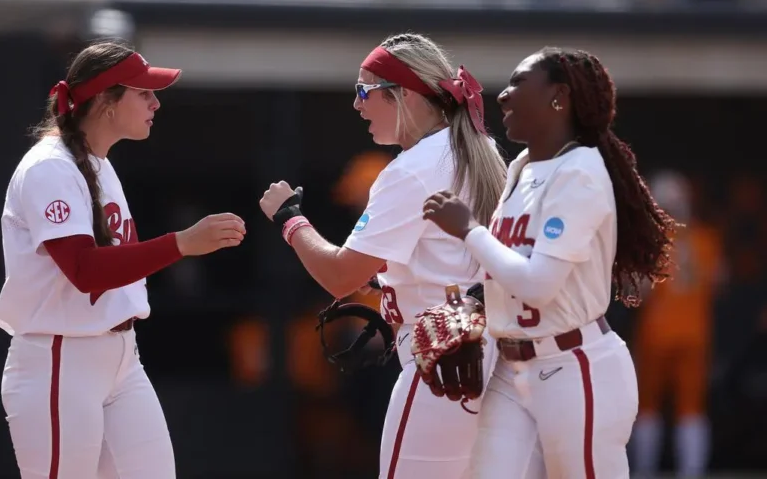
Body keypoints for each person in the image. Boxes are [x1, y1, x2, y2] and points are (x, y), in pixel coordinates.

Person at [421, 46, 679, 478]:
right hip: (512, 367)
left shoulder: (580, 172)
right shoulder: (522, 166)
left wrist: (468, 229)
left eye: (518, 83)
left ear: (558, 97)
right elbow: (511, 261)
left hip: (575, 366)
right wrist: (479, 299)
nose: (502, 96)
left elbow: (539, 284)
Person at [259, 32, 507, 479]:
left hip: (441, 356)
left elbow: (339, 276)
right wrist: (391, 281)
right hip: (494, 357)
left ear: (405, 96)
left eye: (364, 92)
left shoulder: (412, 168)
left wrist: (290, 220)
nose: (356, 105)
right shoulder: (479, 148)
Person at [0, 40, 246, 479]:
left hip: (121, 358)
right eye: (143, 93)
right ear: (106, 102)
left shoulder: (98, 164)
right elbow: (83, 271)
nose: (155, 102)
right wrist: (181, 244)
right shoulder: (49, 168)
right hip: (60, 357)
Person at [631, 170, 724, 478]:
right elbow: (719, 281)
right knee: (672, 408)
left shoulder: (671, 240)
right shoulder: (700, 239)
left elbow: (639, 291)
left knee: (669, 408)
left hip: (672, 336)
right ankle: (672, 471)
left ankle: (662, 471)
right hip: (677, 336)